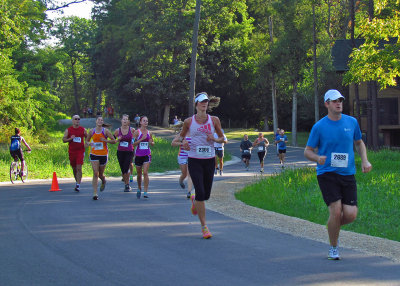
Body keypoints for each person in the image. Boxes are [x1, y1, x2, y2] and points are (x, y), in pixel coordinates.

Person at [304, 89, 372, 260]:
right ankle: (333, 248)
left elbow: (359, 143)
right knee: (335, 211)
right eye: (334, 101)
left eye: (340, 100)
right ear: (327, 104)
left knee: (351, 214)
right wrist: (317, 158)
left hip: (348, 173)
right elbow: (307, 151)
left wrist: (365, 161)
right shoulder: (319, 127)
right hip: (327, 173)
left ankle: (332, 228)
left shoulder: (352, 122)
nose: (338, 103)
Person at [179, 92, 224, 239]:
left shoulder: (215, 120)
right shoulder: (188, 121)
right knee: (200, 192)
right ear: (196, 104)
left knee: (206, 195)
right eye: (201, 102)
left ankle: (195, 201)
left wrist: (215, 139)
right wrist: (183, 143)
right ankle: (204, 226)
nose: (204, 104)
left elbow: (223, 138)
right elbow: (181, 137)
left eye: (206, 101)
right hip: (194, 159)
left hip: (209, 160)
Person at [86, 116, 116, 200]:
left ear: (102, 122)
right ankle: (95, 193)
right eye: (98, 120)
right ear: (96, 121)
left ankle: (103, 180)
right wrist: (89, 144)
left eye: (101, 120)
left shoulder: (105, 131)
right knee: (95, 173)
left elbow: (114, 141)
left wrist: (105, 140)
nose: (100, 121)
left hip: (103, 154)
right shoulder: (91, 131)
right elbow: (87, 141)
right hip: (94, 153)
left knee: (100, 174)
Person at [62, 115, 87, 192]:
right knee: (74, 168)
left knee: (79, 168)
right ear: (72, 120)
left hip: (80, 151)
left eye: (78, 119)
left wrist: (87, 143)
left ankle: (78, 185)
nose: (77, 120)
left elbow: (87, 137)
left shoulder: (83, 129)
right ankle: (77, 181)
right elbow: (63, 140)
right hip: (72, 151)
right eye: (75, 119)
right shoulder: (68, 130)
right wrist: (70, 138)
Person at [132, 116, 154, 199]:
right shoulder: (137, 132)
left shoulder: (149, 132)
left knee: (145, 172)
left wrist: (152, 143)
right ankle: (139, 188)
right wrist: (141, 139)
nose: (146, 122)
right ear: (140, 122)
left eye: (147, 121)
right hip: (138, 155)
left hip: (147, 154)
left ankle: (145, 191)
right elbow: (132, 144)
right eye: (144, 121)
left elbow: (151, 141)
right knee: (139, 174)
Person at [114, 114, 135, 192]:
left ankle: (127, 185)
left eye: (126, 119)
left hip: (129, 151)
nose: (125, 121)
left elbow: (136, 137)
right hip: (120, 151)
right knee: (123, 169)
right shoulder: (117, 130)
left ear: (128, 121)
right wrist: (117, 139)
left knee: (126, 167)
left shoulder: (132, 130)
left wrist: (133, 140)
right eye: (124, 119)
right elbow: (113, 140)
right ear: (121, 121)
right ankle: (126, 182)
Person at [171, 126, 193, 199]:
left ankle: (189, 192)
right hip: (182, 156)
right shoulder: (182, 135)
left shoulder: (194, 134)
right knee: (185, 173)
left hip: (191, 156)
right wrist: (182, 143)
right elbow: (173, 143)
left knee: (190, 173)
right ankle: (181, 180)